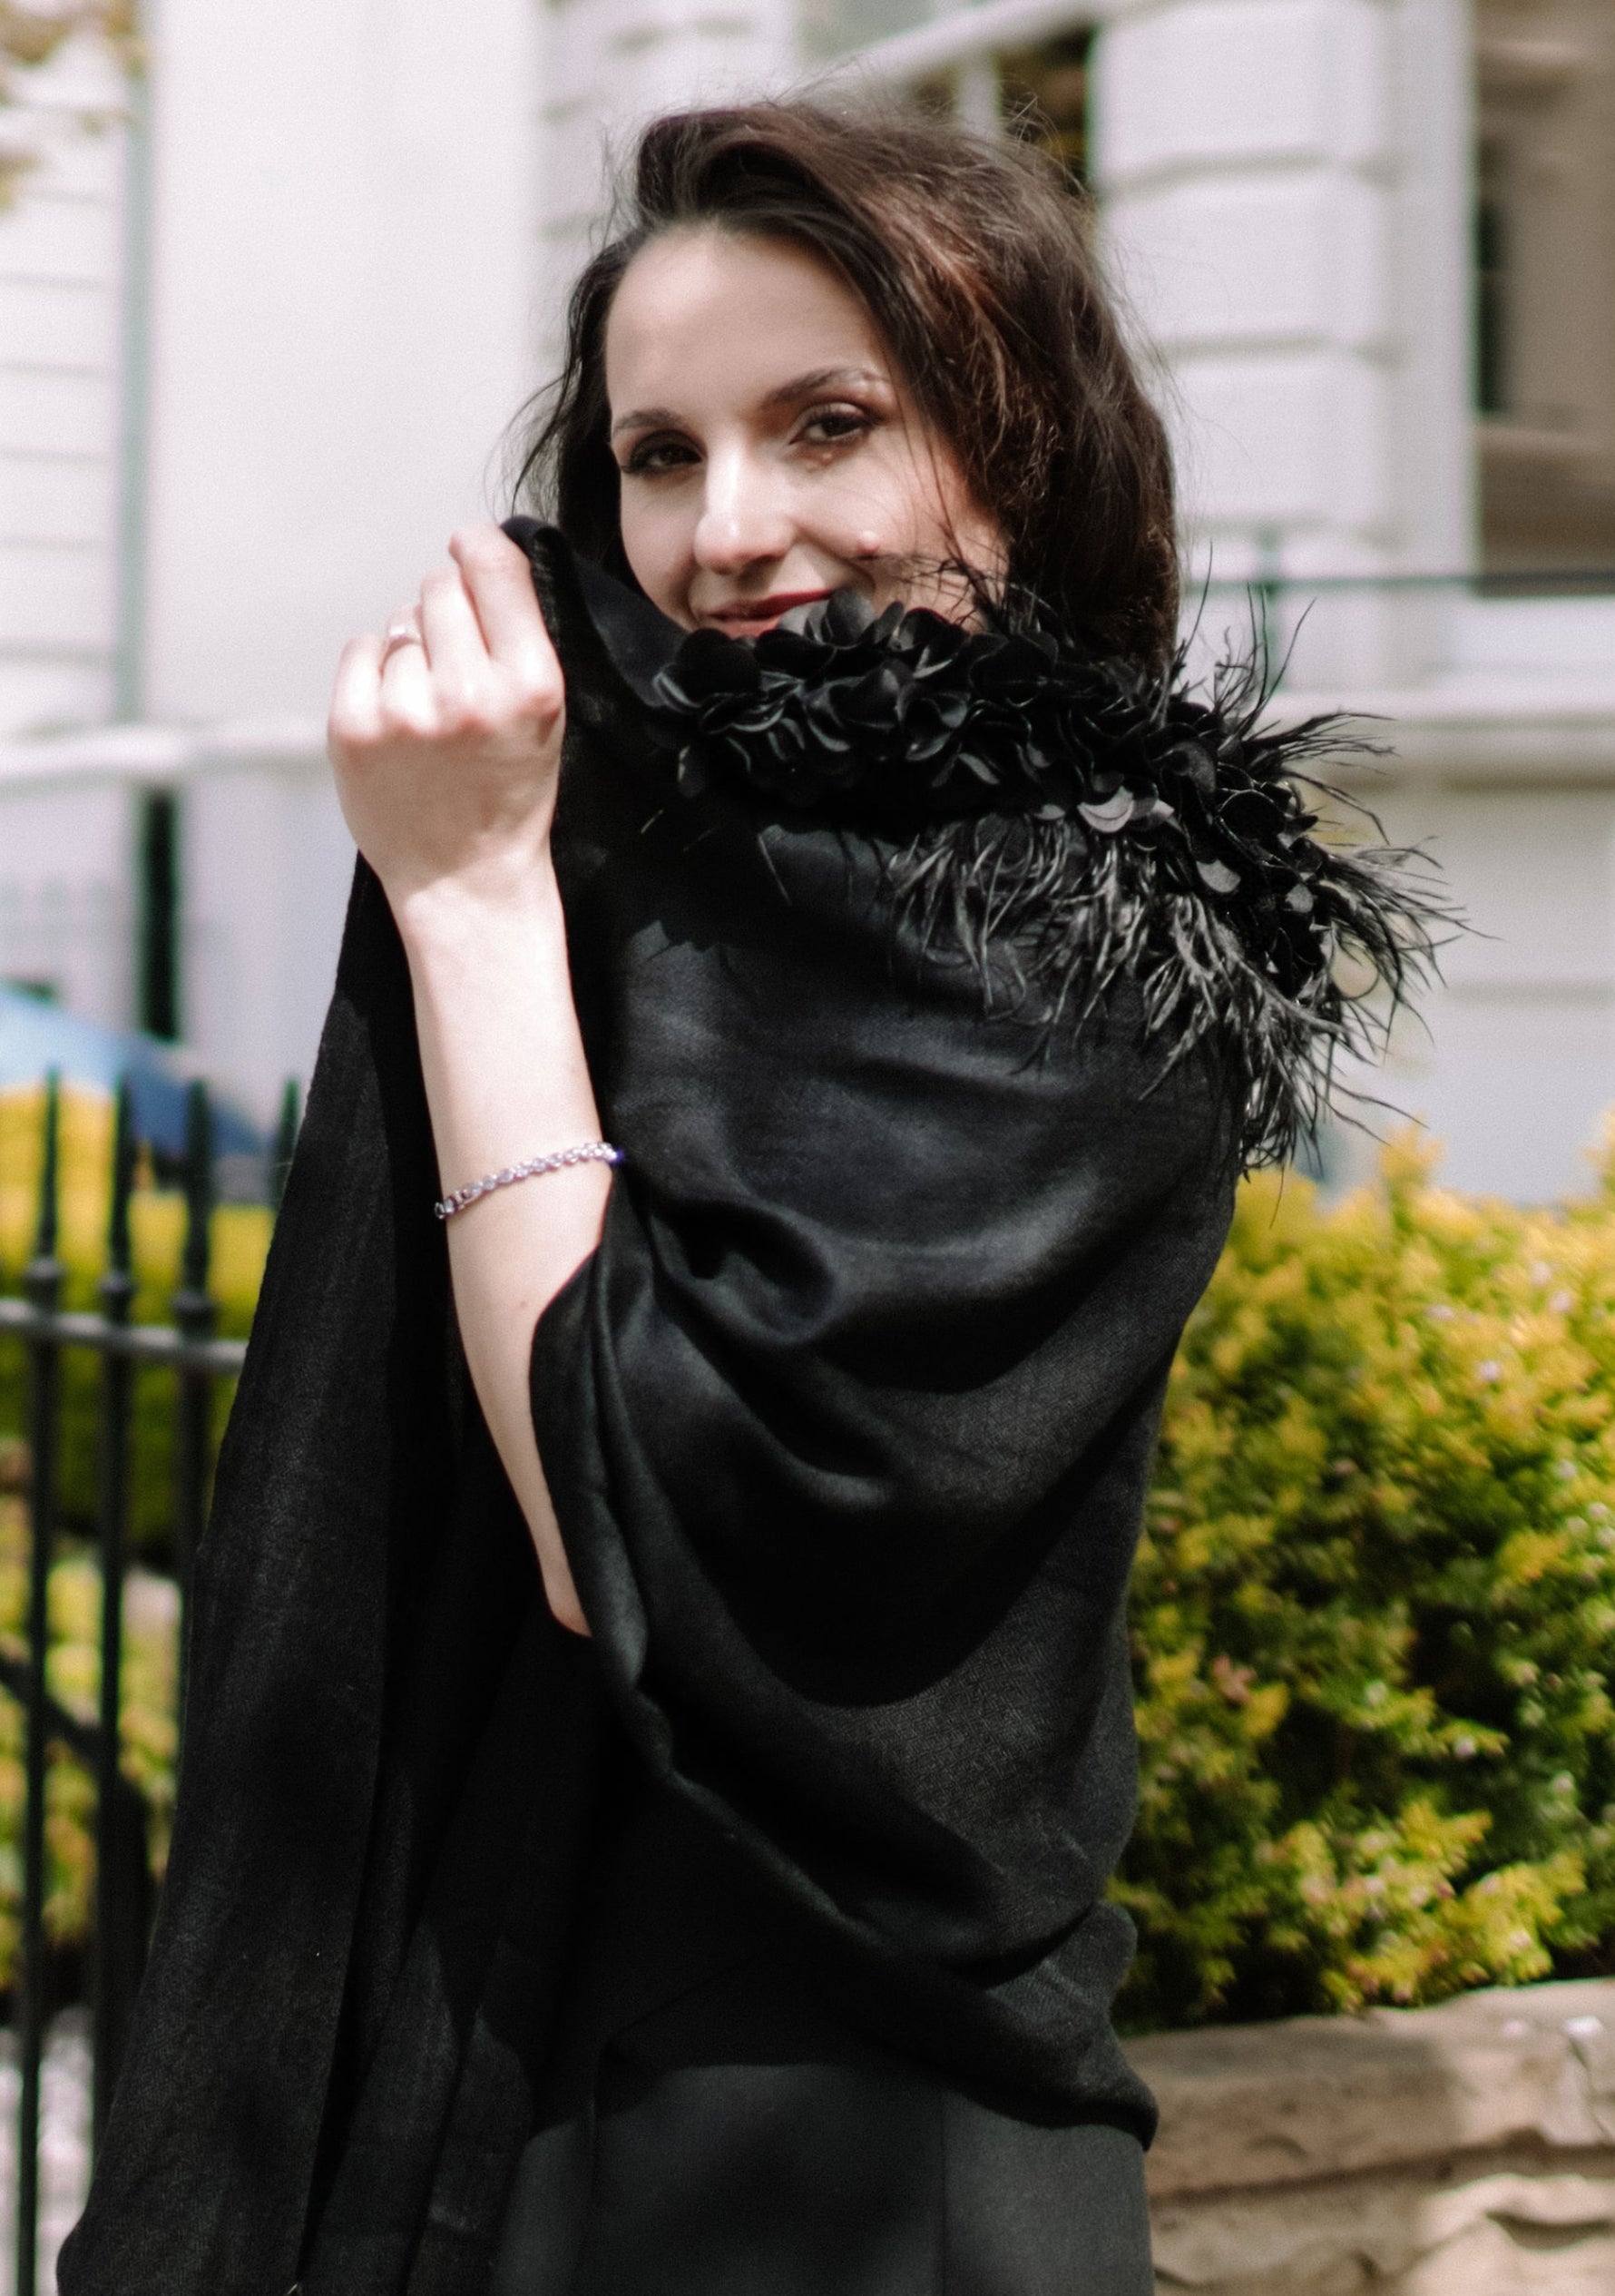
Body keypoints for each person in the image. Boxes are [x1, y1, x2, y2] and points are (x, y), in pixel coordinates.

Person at [59, 101, 1438, 2296]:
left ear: (1021, 445)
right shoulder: (658, 859)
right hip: (497, 2065)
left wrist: (474, 906)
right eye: (659, 453)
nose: (733, 527)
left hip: (823, 2142)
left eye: (827, 425)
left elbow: (662, 1522)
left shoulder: (1078, 943)